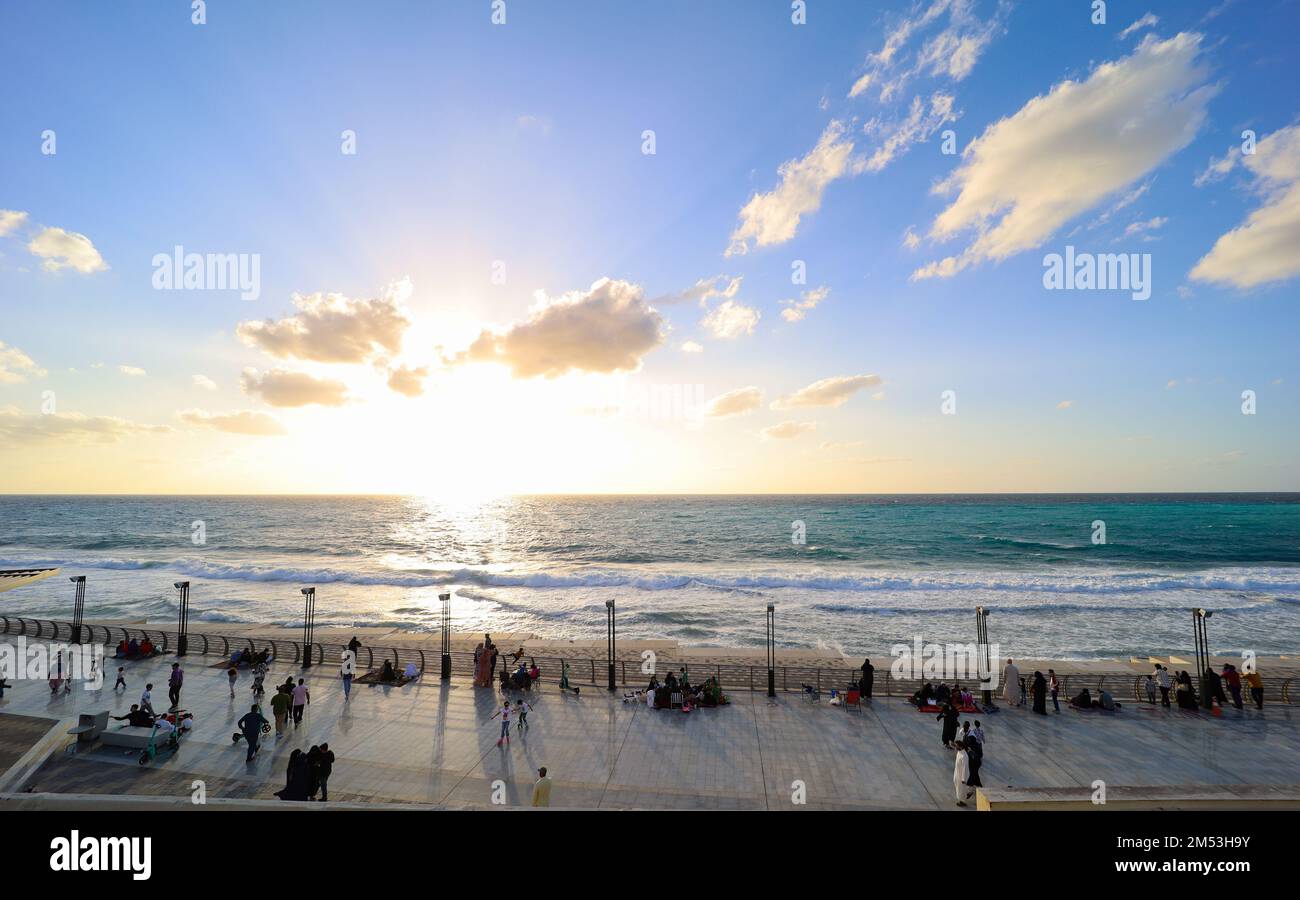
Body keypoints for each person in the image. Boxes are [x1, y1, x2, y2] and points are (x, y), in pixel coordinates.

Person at [953, 742, 971, 807]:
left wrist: (963, 778)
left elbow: (965, 768)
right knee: (958, 787)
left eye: (956, 746)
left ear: (960, 747)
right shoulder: (959, 752)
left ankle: (963, 801)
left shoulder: (964, 756)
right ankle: (962, 797)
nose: (955, 747)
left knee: (962, 789)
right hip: (957, 773)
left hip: (962, 775)